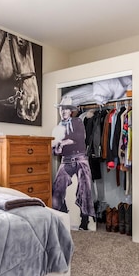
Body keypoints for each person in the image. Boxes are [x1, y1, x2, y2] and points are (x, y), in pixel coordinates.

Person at [51, 98, 95, 230]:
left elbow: (78, 137)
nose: (63, 111)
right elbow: (54, 149)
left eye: (66, 109)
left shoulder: (78, 122)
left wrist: (62, 143)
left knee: (85, 187)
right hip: (66, 160)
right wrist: (57, 149)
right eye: (62, 108)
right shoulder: (57, 128)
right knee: (57, 189)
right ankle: (63, 215)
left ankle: (85, 220)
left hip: (80, 158)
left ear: (71, 111)